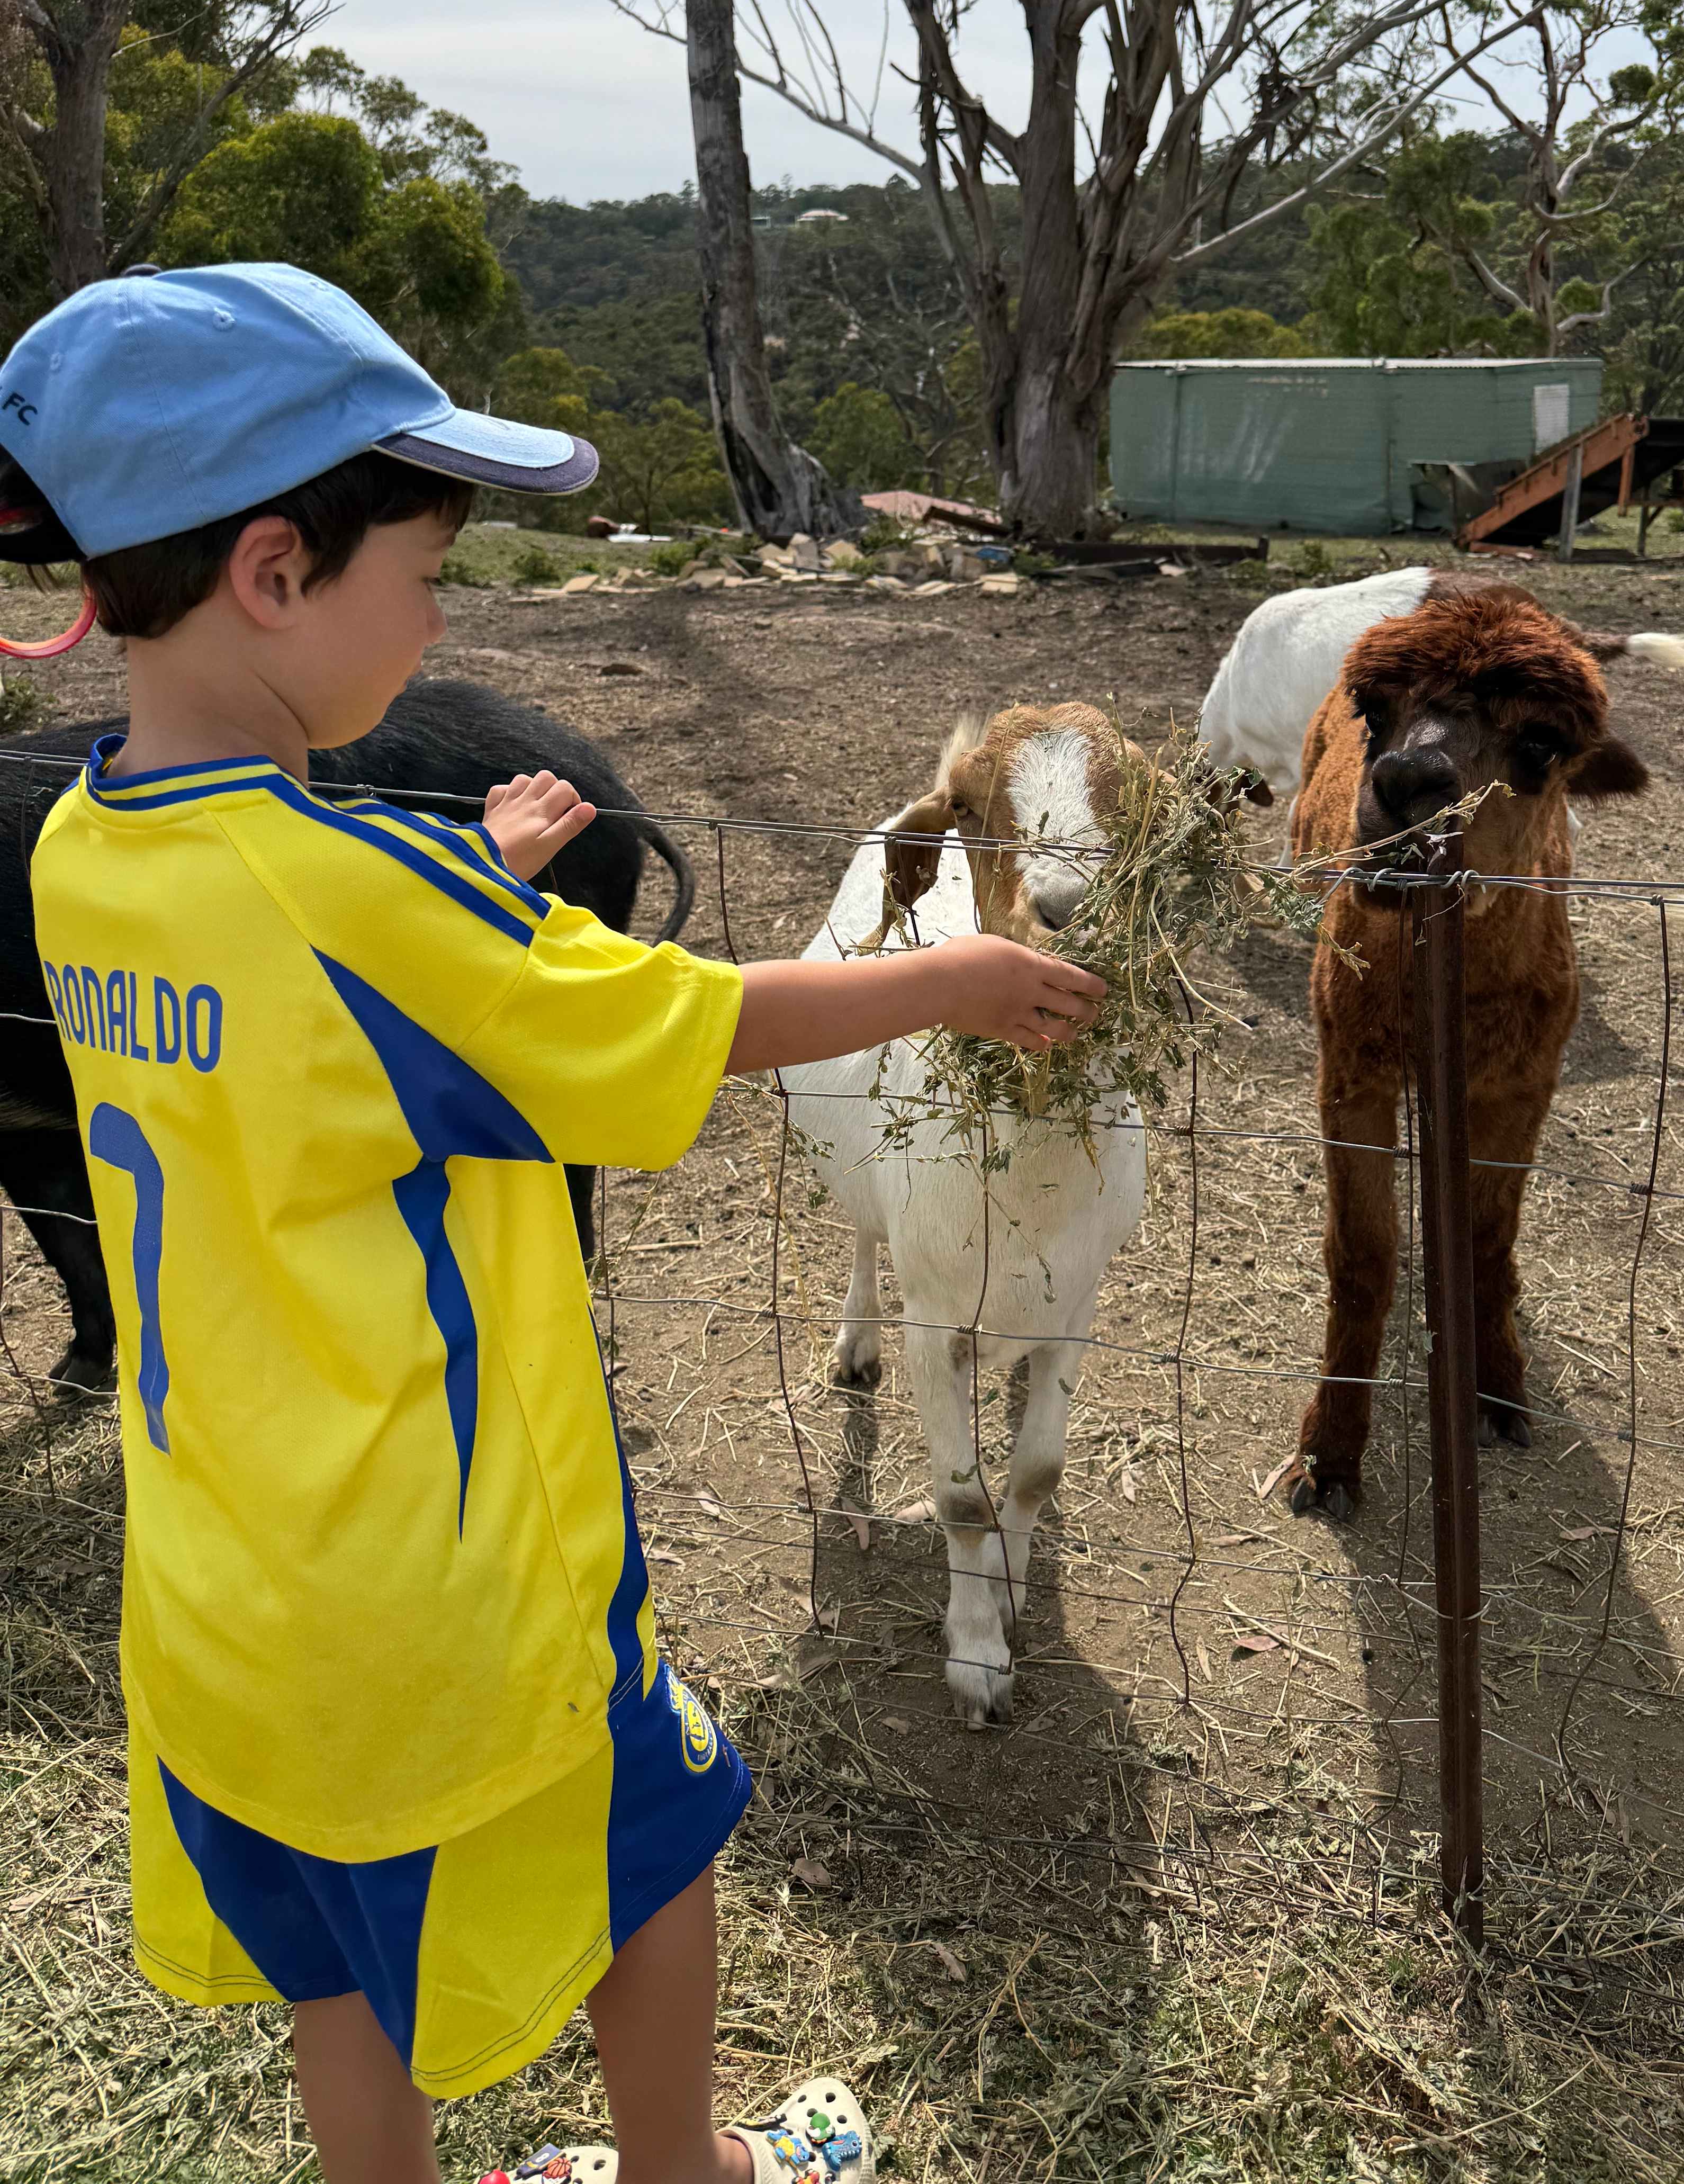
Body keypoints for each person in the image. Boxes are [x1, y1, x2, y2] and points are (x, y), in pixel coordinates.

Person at [7, 263, 1105, 2184]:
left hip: (223, 1588)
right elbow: (701, 1025)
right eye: (427, 576)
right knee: (661, 1852)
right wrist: (958, 981)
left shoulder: (90, 849)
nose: (440, 624)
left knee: (335, 1972)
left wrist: (476, 879)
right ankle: (695, 2172)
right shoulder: (378, 913)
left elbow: (302, 985)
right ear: (275, 572)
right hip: (449, 1593)